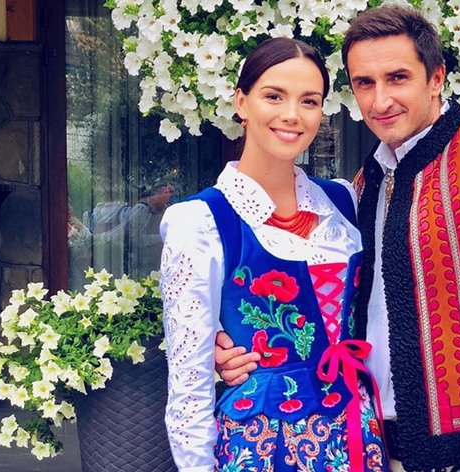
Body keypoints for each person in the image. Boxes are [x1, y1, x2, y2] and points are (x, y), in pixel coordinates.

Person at [216, 6, 460, 472]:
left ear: (436, 78)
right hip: (370, 445)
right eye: (364, 83)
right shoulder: (365, 183)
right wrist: (231, 343)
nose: (380, 100)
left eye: (398, 78)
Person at [159, 37, 389, 472]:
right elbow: (188, 382)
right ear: (241, 102)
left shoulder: (344, 201)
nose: (292, 115)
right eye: (274, 96)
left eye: (309, 101)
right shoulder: (200, 222)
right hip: (261, 444)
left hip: (356, 434)